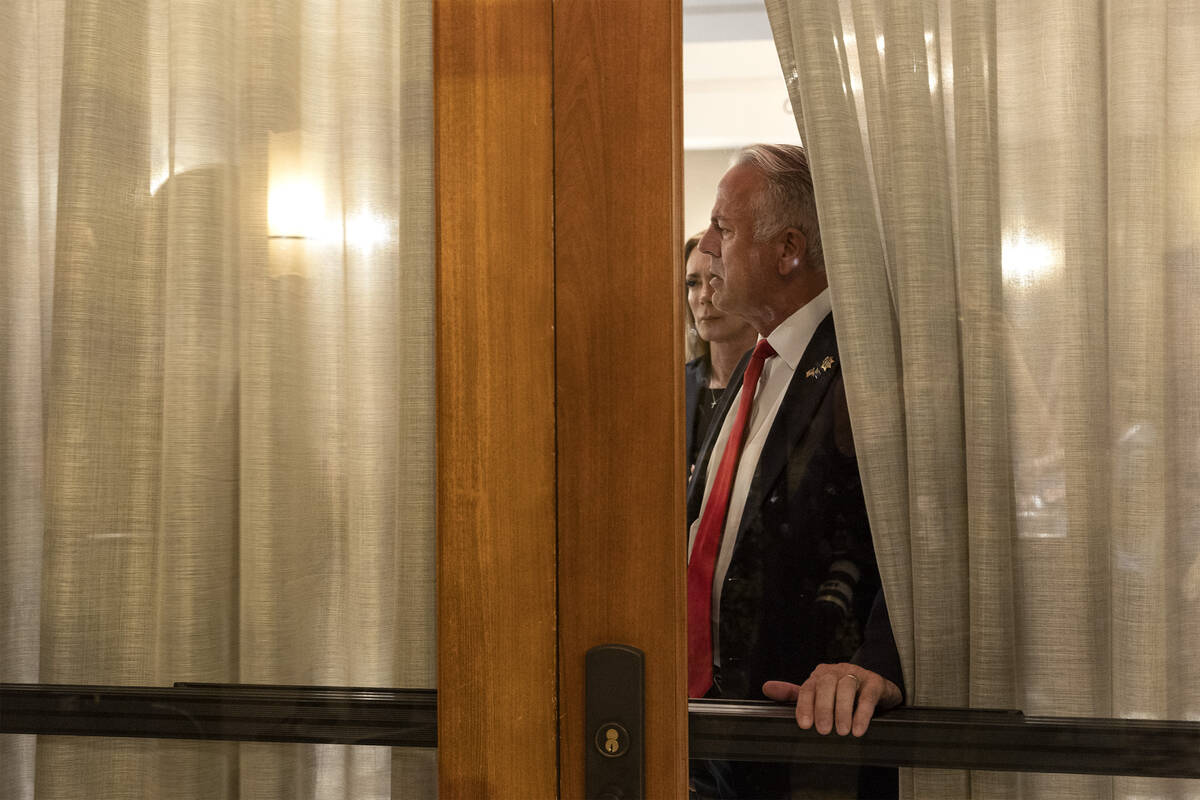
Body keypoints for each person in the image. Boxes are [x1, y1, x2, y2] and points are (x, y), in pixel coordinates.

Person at [686, 144, 903, 799]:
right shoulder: (756, 365)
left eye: (724, 228)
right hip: (710, 717)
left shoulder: (866, 363)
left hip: (802, 741)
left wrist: (880, 664)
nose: (705, 245)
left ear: (787, 250)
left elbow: (927, 527)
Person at [684, 232, 758, 474]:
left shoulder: (774, 379)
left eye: (717, 278)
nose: (705, 296)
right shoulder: (675, 386)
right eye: (693, 283)